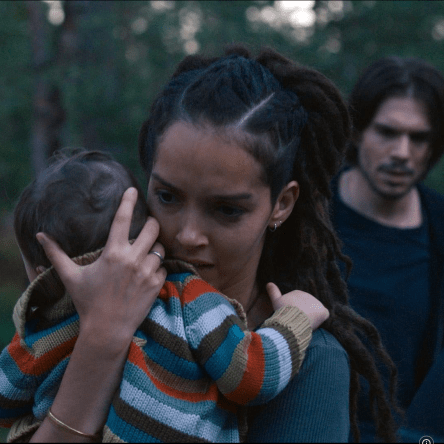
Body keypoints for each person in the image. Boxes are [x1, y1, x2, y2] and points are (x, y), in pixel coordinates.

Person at [9, 45, 400, 443]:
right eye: (167, 197)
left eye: (227, 210)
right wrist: (101, 336)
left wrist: (101, 340)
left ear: (281, 204)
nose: (187, 235)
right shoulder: (83, 308)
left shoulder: (307, 362)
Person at [1, 149, 328, 442]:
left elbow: (4, 401)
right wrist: (295, 317)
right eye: (168, 197)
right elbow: (252, 375)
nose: (189, 235)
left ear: (42, 271)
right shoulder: (189, 300)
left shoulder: (40, 331)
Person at [331, 56, 444, 442]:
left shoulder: (439, 227)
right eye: (387, 132)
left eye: (418, 138)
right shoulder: (307, 212)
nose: (402, 152)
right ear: (358, 131)